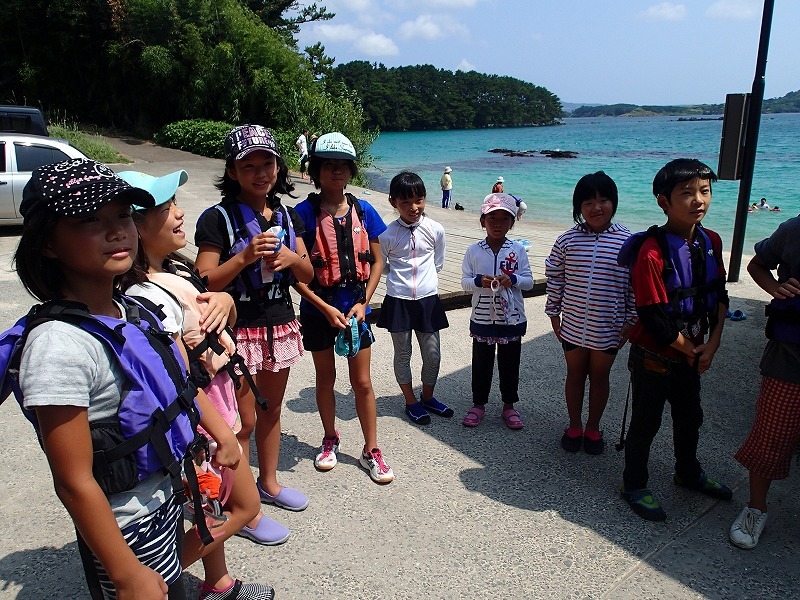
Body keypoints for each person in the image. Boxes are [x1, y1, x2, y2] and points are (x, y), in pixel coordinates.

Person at [9, 158, 242, 599]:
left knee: (169, 584)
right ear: (48, 244)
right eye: (90, 220)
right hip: (126, 522)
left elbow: (174, 391)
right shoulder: (59, 347)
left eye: (122, 215)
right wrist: (123, 571)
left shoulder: (131, 312)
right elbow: (73, 479)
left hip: (166, 496)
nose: (117, 230)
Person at [119, 170, 275, 599]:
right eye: (168, 209)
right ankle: (148, 585)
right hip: (201, 409)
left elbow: (215, 317)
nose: (180, 212)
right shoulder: (144, 296)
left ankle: (218, 582)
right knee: (244, 506)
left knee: (211, 503)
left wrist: (226, 301)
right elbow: (177, 373)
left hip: (218, 393)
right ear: (136, 226)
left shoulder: (174, 270)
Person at [195, 125, 314, 544]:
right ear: (232, 171)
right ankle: (241, 508)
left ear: (279, 167)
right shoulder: (218, 218)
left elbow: (308, 272)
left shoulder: (286, 214)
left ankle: (270, 483)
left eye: (268, 163)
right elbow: (204, 279)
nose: (260, 173)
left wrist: (289, 257)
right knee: (240, 423)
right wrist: (245, 256)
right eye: (249, 166)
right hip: (237, 329)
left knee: (272, 410)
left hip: (279, 320)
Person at [616, 158, 732, 522]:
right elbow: (653, 316)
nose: (699, 200)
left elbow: (720, 295)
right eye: (687, 193)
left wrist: (711, 345)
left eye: (705, 191)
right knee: (646, 423)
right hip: (656, 355)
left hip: (694, 353)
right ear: (663, 201)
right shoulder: (651, 252)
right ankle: (633, 483)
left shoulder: (711, 240)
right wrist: (692, 350)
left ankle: (687, 472)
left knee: (689, 417)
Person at [293, 132, 394, 484]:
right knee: (325, 377)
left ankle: (371, 449)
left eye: (342, 166)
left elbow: (378, 262)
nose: (336, 172)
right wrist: (323, 308)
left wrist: (364, 303)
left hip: (355, 306)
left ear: (351, 171)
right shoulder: (301, 215)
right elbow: (296, 275)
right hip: (319, 306)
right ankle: (330, 438)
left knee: (362, 382)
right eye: (328, 165)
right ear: (316, 170)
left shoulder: (364, 210)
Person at [545, 172, 636, 454]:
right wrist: (553, 313)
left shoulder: (629, 241)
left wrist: (631, 320)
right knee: (574, 375)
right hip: (573, 323)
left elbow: (635, 286)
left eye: (604, 200)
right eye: (588, 202)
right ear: (578, 207)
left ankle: (593, 427)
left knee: (599, 378)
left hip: (608, 326)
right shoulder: (566, 240)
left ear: (614, 202)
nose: (596, 207)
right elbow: (555, 277)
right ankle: (574, 425)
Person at [728, 217, 800, 548]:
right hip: (789, 356)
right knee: (771, 435)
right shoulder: (794, 229)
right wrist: (773, 288)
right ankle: (756, 507)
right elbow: (758, 265)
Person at [378, 171, 452, 425]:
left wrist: (424, 282)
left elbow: (438, 262)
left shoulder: (435, 229)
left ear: (425, 198)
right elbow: (383, 265)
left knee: (433, 355)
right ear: (393, 203)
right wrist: (401, 279)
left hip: (428, 299)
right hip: (398, 299)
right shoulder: (387, 235)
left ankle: (428, 397)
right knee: (403, 353)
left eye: (418, 200)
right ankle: (410, 401)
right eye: (405, 202)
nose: (414, 207)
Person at [461, 193, 533, 429]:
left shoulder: (518, 250)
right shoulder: (474, 251)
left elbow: (529, 282)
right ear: (483, 221)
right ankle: (478, 404)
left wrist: (512, 279)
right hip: (481, 316)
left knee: (510, 363)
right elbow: (465, 282)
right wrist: (479, 281)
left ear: (512, 223)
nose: (498, 224)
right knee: (481, 363)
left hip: (510, 318)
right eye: (492, 218)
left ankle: (509, 406)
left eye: (504, 219)